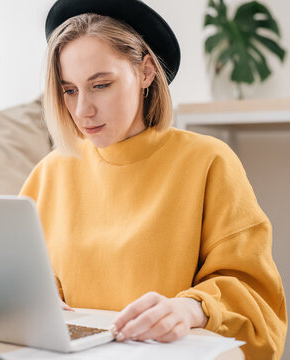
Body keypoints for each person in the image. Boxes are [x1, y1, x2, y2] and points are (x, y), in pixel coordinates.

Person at [19, 0, 287, 358]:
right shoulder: (50, 173)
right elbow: (22, 277)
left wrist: (191, 309)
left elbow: (255, 296)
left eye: (100, 85)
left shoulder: (208, 162)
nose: (83, 110)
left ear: (146, 72)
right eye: (69, 90)